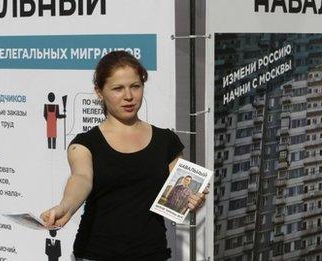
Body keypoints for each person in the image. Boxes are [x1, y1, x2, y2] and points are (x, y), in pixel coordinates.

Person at [41, 51, 208, 261]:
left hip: (152, 254)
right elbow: (81, 179)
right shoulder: (84, 144)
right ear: (99, 92)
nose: (128, 96)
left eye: (135, 86)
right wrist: (65, 206)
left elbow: (182, 190)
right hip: (96, 254)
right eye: (118, 88)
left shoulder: (167, 141)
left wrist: (194, 200)